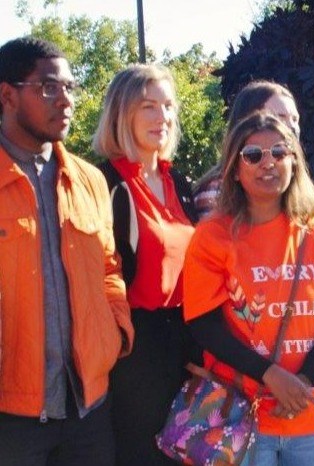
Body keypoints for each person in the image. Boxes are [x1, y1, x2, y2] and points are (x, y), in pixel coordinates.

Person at [183, 111, 314, 465]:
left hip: (310, 416)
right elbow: (203, 324)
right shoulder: (212, 236)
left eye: (279, 152)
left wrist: (302, 382)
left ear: (294, 162)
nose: (269, 163)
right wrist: (270, 376)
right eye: (253, 155)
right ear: (235, 167)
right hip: (240, 416)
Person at [0, 36, 133, 465]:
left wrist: (114, 331)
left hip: (87, 407)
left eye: (70, 88)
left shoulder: (90, 180)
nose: (66, 100)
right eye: (48, 88)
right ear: (7, 95)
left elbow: (109, 266)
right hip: (10, 414)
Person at [92, 64, 199, 466]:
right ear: (122, 113)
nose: (163, 118)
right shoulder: (105, 184)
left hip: (186, 342)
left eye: (168, 106)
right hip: (136, 352)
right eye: (148, 107)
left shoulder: (180, 183)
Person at [194, 80, 300, 219]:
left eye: (295, 119)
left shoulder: (291, 184)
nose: (291, 126)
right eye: (280, 117)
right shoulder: (217, 191)